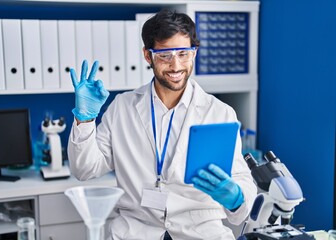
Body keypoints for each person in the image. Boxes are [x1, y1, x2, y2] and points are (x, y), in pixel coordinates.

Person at [67, 9, 257, 240]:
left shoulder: (219, 113)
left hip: (199, 232)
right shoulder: (122, 107)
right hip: (136, 230)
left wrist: (236, 197)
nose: (176, 66)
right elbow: (85, 169)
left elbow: (241, 191)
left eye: (184, 54)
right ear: (148, 56)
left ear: (194, 53)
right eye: (166, 55)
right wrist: (85, 119)